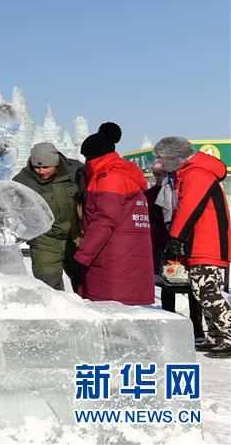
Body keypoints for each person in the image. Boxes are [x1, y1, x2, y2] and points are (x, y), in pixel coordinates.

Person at [155, 136, 231, 358]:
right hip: (201, 241)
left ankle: (228, 335)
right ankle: (217, 336)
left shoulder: (197, 174)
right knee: (202, 290)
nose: (160, 163)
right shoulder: (189, 173)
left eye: (162, 158)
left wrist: (176, 237)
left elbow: (189, 208)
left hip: (208, 242)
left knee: (206, 290)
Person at [73, 133, 154, 305]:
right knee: (127, 312)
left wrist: (83, 255)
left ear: (91, 155)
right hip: (130, 252)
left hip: (113, 256)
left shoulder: (109, 176)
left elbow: (105, 219)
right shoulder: (126, 173)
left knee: (112, 314)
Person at [144, 160, 205, 341]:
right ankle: (170, 327)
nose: (159, 178)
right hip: (163, 245)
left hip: (185, 243)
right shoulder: (150, 195)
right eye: (156, 174)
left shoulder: (181, 192)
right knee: (167, 285)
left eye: (162, 174)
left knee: (193, 286)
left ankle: (197, 329)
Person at [12, 142, 82, 290]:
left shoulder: (76, 170)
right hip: (45, 240)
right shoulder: (22, 182)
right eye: (37, 167)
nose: (41, 171)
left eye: (45, 167)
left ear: (56, 164)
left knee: (85, 281)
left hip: (76, 238)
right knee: (49, 285)